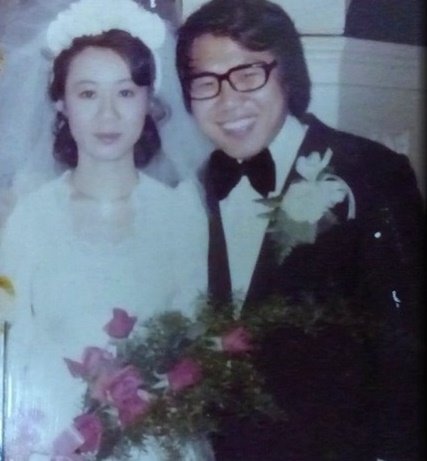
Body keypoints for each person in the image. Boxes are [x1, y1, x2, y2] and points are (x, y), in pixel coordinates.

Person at [176, 1, 424, 460]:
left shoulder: (371, 174)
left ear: (287, 75)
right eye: (206, 82)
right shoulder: (191, 191)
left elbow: (407, 345)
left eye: (248, 73)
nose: (228, 101)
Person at [0, 0, 209, 459]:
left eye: (126, 93)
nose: (108, 115)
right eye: (88, 94)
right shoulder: (31, 217)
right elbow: (14, 346)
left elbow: (193, 339)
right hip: (52, 439)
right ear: (61, 104)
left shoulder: (180, 214)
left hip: (155, 438)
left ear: (150, 101)